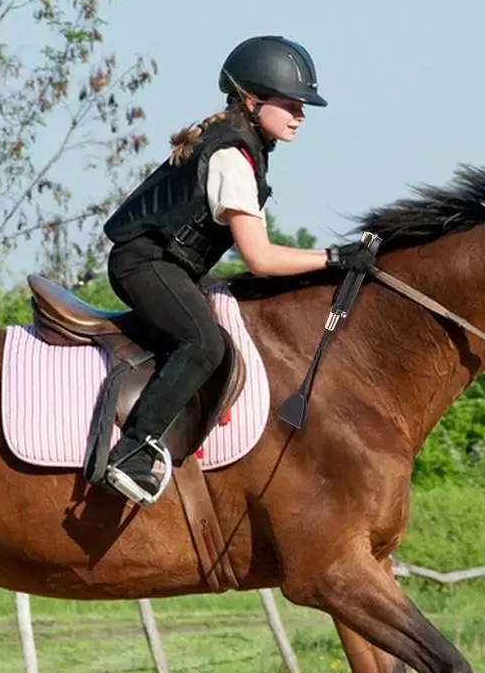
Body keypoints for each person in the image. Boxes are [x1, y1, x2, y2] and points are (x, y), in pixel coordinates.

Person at [102, 35, 376, 505]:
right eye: (290, 104)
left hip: (169, 264)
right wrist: (333, 257)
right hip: (143, 264)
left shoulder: (246, 146)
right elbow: (261, 259)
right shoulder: (232, 158)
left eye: (302, 106)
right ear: (252, 101)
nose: (300, 116)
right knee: (201, 342)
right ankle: (131, 452)